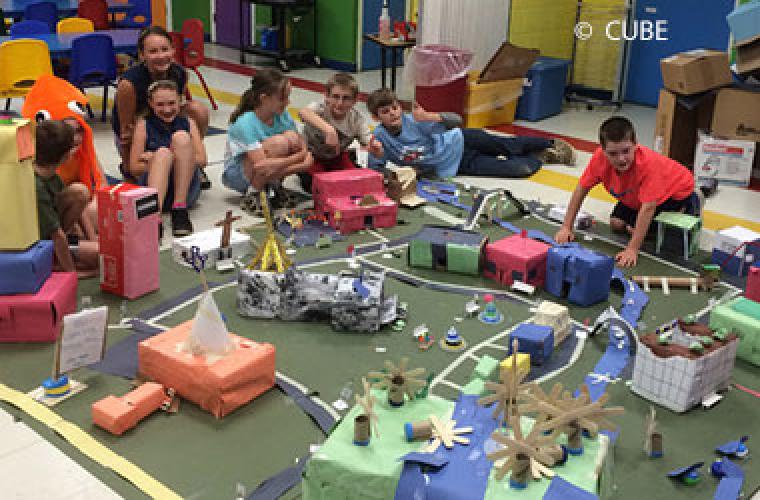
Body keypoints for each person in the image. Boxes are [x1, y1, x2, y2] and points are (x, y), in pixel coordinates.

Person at [554, 116, 700, 267]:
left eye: (626, 151)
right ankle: (639, 227)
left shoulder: (648, 165)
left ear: (636, 143)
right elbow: (581, 189)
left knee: (665, 239)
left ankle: (693, 201)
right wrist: (566, 227)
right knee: (616, 224)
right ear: (603, 150)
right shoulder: (599, 159)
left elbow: (648, 207)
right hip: (636, 195)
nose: (621, 159)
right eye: (613, 154)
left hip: (675, 193)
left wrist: (632, 249)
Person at [365, 88, 575, 180]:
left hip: (462, 139)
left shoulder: (416, 120)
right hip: (456, 165)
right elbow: (375, 169)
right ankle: (540, 156)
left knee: (508, 144)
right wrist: (400, 175)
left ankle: (550, 144)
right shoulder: (381, 138)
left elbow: (457, 121)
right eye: (385, 112)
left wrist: (430, 117)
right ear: (376, 118)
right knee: (519, 169)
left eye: (394, 107)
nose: (392, 113)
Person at [112, 26, 211, 189]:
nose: (161, 56)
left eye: (165, 49)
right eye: (153, 51)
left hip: (164, 126)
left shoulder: (179, 73)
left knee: (197, 109)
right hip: (139, 130)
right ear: (142, 55)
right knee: (136, 159)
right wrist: (130, 168)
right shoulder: (129, 84)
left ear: (173, 50)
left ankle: (191, 160)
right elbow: (125, 131)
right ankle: (129, 167)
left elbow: (176, 112)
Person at [21, 75, 105, 240]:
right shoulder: (43, 164)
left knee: (103, 208)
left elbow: (102, 187)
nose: (75, 138)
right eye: (69, 132)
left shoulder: (84, 152)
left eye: (79, 131)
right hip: (46, 218)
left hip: (73, 210)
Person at [223, 68, 313, 212]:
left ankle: (275, 188)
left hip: (265, 168)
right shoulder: (246, 122)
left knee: (291, 138)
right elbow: (262, 167)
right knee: (281, 143)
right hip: (238, 174)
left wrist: (300, 156)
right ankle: (254, 193)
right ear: (264, 98)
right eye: (282, 98)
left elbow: (301, 144)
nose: (288, 102)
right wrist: (301, 161)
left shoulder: (282, 115)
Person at [128, 80, 206, 237]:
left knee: (181, 139)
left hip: (185, 190)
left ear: (180, 100)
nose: (167, 109)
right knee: (163, 153)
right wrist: (159, 160)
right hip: (154, 190)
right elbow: (134, 168)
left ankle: (180, 209)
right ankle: (154, 216)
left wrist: (173, 157)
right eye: (160, 104)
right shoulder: (143, 125)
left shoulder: (189, 123)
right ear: (151, 103)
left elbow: (202, 159)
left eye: (172, 103)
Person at [34, 121, 99, 278]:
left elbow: (79, 209)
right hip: (41, 243)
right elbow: (57, 235)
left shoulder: (49, 174)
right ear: (65, 155)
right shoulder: (38, 186)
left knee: (80, 191)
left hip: (53, 234)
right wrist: (71, 274)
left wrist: (92, 239)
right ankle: (57, 264)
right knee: (101, 256)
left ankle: (65, 258)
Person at [297, 72, 371, 192]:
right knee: (317, 187)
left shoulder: (357, 119)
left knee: (355, 183)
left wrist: (375, 148)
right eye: (336, 96)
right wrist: (329, 130)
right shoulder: (320, 107)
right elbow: (303, 112)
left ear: (355, 100)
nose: (340, 103)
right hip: (311, 157)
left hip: (336, 158)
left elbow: (369, 144)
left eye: (346, 98)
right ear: (326, 96)